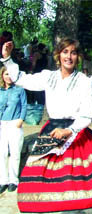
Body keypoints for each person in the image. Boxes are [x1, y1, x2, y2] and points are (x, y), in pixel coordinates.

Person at [1, 38, 92, 213]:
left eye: (73, 52)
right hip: (51, 131)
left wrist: (69, 130)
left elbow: (87, 113)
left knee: (78, 183)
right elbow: (20, 79)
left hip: (75, 132)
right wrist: (7, 59)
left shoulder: (83, 81)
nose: (69, 56)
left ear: (78, 57)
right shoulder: (48, 77)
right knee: (37, 182)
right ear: (58, 55)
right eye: (65, 52)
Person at [0, 66, 27, 194]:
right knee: (2, 153)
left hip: (15, 123)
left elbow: (24, 105)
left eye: (10, 74)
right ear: (2, 75)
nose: (8, 76)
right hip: (2, 124)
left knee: (15, 153)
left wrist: (21, 119)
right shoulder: (0, 91)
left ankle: (13, 180)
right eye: (6, 74)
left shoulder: (19, 90)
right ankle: (3, 180)